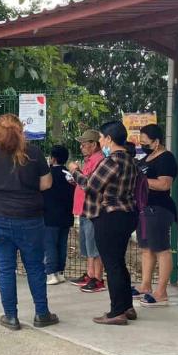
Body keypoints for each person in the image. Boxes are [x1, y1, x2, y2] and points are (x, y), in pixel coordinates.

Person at [0, 114, 58, 331]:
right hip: (30, 218)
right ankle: (42, 314)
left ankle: (10, 316)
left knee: (5, 267)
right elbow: (46, 184)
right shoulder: (35, 153)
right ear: (21, 131)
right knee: (35, 267)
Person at [70, 121, 140, 326]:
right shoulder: (129, 159)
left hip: (109, 216)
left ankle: (117, 311)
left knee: (112, 264)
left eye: (101, 137)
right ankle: (127, 306)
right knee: (118, 262)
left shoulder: (112, 161)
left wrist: (75, 171)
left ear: (109, 138)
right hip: (126, 214)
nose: (100, 141)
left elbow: (90, 186)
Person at [136, 124, 177, 307]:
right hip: (143, 209)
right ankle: (145, 286)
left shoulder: (166, 158)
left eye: (145, 141)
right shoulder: (145, 158)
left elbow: (164, 184)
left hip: (158, 209)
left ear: (157, 141)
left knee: (161, 249)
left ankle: (161, 292)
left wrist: (141, 181)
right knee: (146, 248)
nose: (142, 144)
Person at [69, 130, 107, 294]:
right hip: (84, 207)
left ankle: (98, 278)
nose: (82, 146)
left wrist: (74, 171)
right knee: (87, 244)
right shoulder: (89, 160)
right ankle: (90, 274)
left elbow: (88, 183)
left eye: (84, 144)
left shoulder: (99, 160)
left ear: (94, 144)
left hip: (93, 208)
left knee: (94, 245)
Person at [43, 145, 74, 285]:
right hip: (66, 215)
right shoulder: (69, 174)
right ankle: (60, 272)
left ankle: (51, 273)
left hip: (50, 215)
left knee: (50, 244)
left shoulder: (48, 174)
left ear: (53, 158)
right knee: (62, 244)